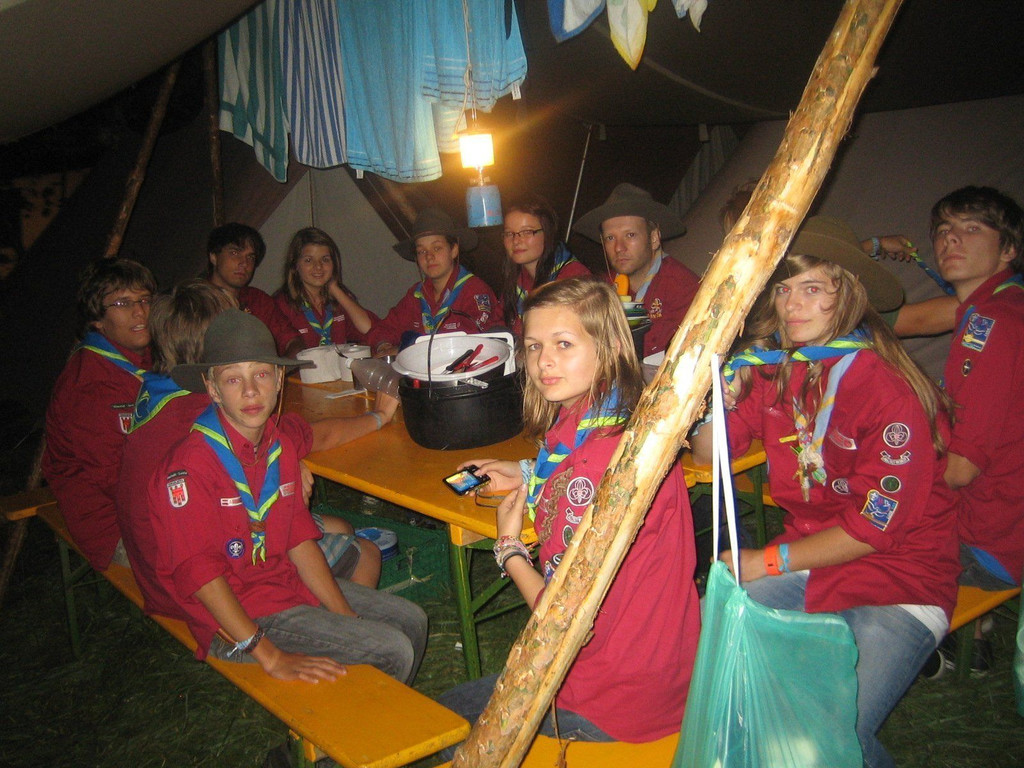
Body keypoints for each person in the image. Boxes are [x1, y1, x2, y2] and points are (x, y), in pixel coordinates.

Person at [691, 216, 960, 768]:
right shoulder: (776, 370)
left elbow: (873, 529)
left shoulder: (889, 390)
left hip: (901, 578)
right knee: (717, 663)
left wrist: (765, 561)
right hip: (814, 561)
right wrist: (718, 398)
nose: (792, 306)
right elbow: (707, 455)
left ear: (850, 293)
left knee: (828, 738)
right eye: (783, 290)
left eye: (812, 289)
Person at [439, 277, 700, 749]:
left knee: (443, 722)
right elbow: (577, 464)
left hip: (609, 697)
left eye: (563, 344)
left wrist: (509, 548)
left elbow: (561, 617)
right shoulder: (623, 418)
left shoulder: (595, 467)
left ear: (610, 347)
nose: (543, 362)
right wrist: (528, 470)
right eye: (534, 345)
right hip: (664, 673)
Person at [147, 309, 426, 684]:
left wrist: (344, 617)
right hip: (236, 620)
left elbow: (299, 541)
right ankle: (348, 719)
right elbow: (202, 579)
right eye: (233, 379)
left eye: (261, 374)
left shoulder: (277, 446)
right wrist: (271, 656)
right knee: (392, 650)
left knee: (412, 620)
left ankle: (360, 710)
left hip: (283, 587)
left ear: (279, 379)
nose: (250, 391)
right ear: (212, 388)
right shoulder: (189, 467)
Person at [119, 281, 389, 618]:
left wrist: (289, 461)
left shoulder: (157, 393)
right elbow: (316, 436)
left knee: (336, 526)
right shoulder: (217, 415)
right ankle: (326, 630)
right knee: (363, 551)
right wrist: (378, 416)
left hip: (152, 562)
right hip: (203, 585)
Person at [932, 186, 1024, 671]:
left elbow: (960, 470)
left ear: (1008, 249)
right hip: (1007, 520)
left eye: (971, 229)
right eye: (944, 230)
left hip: (992, 541)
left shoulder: (992, 324)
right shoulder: (1002, 305)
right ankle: (973, 635)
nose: (951, 239)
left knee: (853, 526)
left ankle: (928, 646)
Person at [719, 182, 957, 338]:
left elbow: (807, 260)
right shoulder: (759, 302)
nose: (791, 304)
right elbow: (919, 320)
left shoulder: (819, 288)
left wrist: (872, 245)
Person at [42, 257, 156, 571]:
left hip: (152, 498)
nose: (139, 311)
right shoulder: (88, 384)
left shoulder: (151, 358)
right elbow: (115, 480)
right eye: (123, 303)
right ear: (97, 319)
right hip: (114, 523)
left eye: (145, 299)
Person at [573, 183, 700, 358]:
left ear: (654, 238)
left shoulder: (682, 288)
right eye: (610, 238)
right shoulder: (601, 289)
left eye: (630, 235)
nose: (619, 247)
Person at [367, 208, 502, 356]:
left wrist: (404, 349)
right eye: (421, 251)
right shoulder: (416, 294)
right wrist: (384, 346)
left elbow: (472, 342)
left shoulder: (475, 291)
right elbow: (383, 328)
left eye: (436, 248)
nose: (429, 257)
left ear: (454, 250)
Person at [205, 222, 304, 357]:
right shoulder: (194, 300)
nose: (244, 263)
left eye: (250, 257)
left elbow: (293, 341)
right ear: (214, 257)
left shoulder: (258, 300)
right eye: (234, 253)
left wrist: (282, 367)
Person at [497, 195, 590, 335]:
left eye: (527, 232)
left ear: (547, 233)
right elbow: (498, 322)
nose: (516, 241)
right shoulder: (517, 279)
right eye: (509, 233)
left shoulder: (574, 279)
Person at [273, 227, 375, 348]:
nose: (318, 266)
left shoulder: (339, 298)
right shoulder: (281, 305)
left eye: (325, 259)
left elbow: (370, 330)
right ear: (295, 265)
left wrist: (335, 290)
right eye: (308, 260)